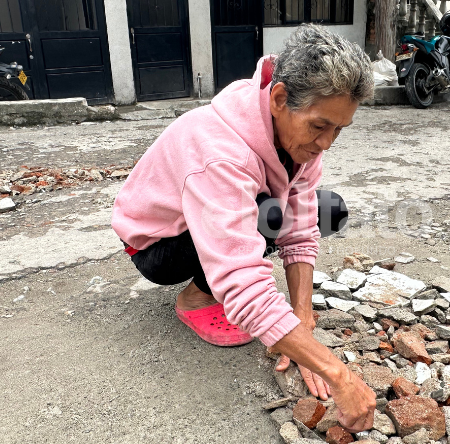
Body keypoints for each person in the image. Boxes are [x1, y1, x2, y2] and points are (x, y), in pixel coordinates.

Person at [111, 24, 377, 432]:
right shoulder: (222, 153)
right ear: (280, 98)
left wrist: (301, 319)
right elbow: (242, 279)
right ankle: (196, 299)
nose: (327, 143)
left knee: (324, 209)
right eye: (320, 126)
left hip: (208, 219)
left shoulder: (298, 140)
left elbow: (302, 227)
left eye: (340, 129)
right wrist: (338, 375)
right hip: (157, 246)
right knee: (267, 213)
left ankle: (220, 286)